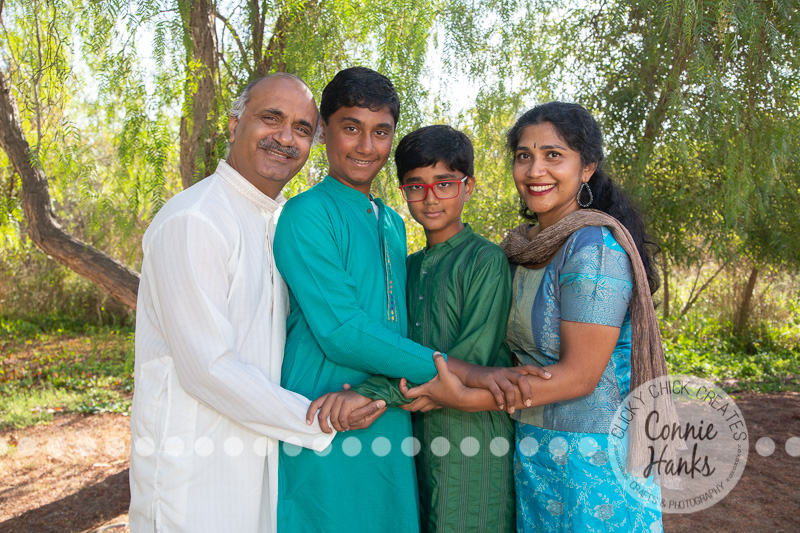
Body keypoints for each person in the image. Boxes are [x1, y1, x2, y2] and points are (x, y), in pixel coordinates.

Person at [273, 68, 542, 533]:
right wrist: (468, 372)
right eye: (350, 127)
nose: (365, 146)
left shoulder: (394, 225)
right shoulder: (305, 213)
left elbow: (398, 326)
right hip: (330, 412)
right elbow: (342, 331)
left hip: (396, 418)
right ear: (323, 129)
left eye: (380, 132)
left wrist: (401, 390)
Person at [129, 73, 384, 533]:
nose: (286, 138)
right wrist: (318, 420)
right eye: (271, 118)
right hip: (195, 472)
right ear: (233, 125)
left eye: (302, 129)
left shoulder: (282, 221)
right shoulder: (196, 219)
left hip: (265, 460)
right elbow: (208, 367)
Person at [402, 102, 667, 532]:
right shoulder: (524, 250)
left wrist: (466, 398)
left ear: (587, 168)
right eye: (524, 156)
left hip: (594, 461)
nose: (535, 169)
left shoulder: (594, 248)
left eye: (553, 155)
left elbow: (579, 377)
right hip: (533, 449)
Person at [347, 124, 519, 532]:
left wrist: (372, 394)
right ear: (403, 191)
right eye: (415, 186)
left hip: (473, 434)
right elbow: (391, 346)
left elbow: (471, 359)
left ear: (468, 186)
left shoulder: (486, 261)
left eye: (444, 184)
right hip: (416, 431)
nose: (430, 198)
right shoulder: (406, 268)